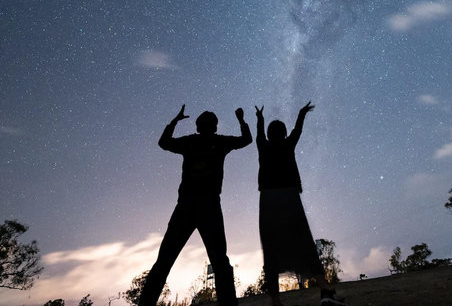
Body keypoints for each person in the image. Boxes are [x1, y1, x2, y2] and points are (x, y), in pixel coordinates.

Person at [139, 104, 252, 306]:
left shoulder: (189, 142)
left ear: (198, 127)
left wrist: (174, 121)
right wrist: (241, 120)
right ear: (215, 127)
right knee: (219, 261)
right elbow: (246, 140)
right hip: (208, 204)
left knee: (165, 260)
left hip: (187, 204)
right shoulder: (220, 142)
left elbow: (163, 143)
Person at [254, 102, 343, 306]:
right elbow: (297, 130)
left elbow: (259, 134)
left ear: (269, 134)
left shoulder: (263, 146)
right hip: (289, 196)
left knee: (270, 245)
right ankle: (325, 290)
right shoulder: (287, 145)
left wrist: (260, 118)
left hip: (268, 199)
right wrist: (302, 113)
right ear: (284, 134)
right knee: (303, 239)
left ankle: (276, 301)